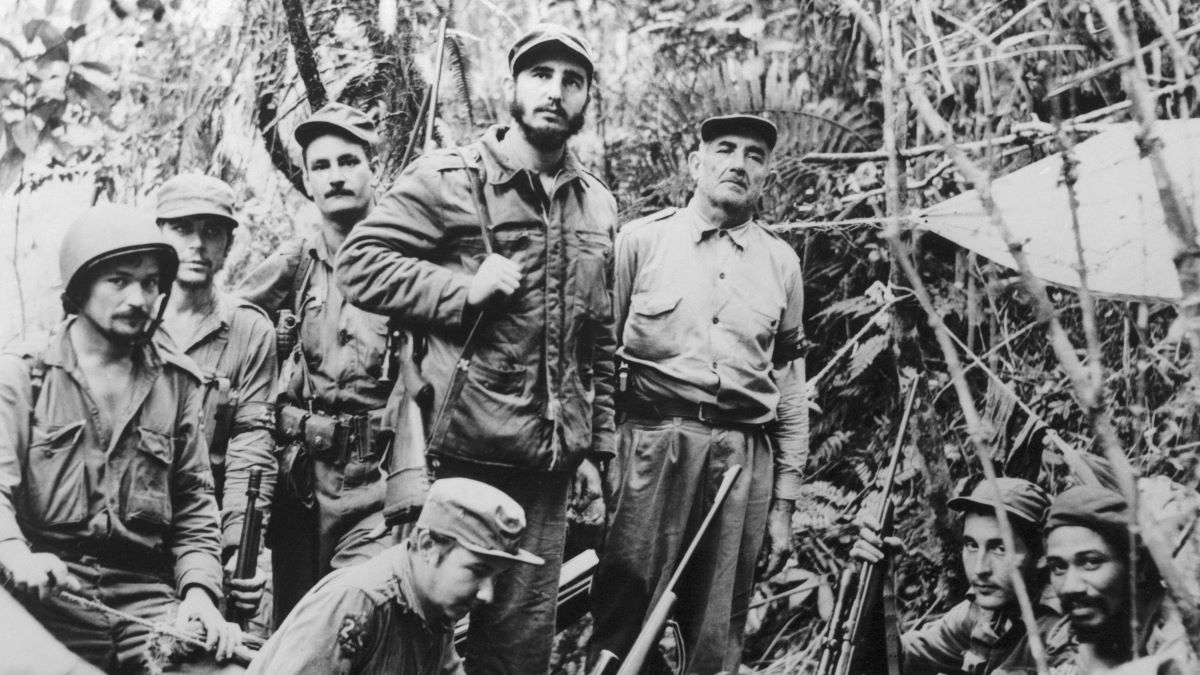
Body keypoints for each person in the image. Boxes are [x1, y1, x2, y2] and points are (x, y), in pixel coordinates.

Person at [335, 23, 616, 675]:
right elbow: (359, 263)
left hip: (547, 472)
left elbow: (597, 342)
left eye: (572, 81)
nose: (555, 92)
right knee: (421, 633)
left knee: (518, 650)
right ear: (512, 86)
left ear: (585, 99)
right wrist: (461, 288)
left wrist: (595, 452)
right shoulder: (450, 179)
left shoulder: (597, 206)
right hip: (460, 453)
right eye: (541, 75)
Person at [587, 113, 808, 674]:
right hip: (651, 445)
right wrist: (601, 455)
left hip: (741, 459)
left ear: (766, 174)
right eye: (725, 149)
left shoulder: (781, 262)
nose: (739, 163)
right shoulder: (641, 242)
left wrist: (783, 504)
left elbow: (789, 391)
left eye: (754, 155)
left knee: (714, 633)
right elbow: (597, 359)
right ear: (696, 164)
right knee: (622, 616)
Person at [0, 204, 243, 671]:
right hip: (44, 594)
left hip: (143, 598)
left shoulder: (176, 383)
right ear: (80, 288)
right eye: (119, 280)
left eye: (151, 282)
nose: (139, 297)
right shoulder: (24, 376)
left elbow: (193, 503)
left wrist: (198, 592)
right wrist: (13, 553)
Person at [235, 103, 399, 626]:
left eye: (348, 161)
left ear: (373, 167)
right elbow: (230, 325)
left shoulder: (408, 257)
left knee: (359, 623)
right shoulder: (295, 263)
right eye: (321, 166)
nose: (335, 176)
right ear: (306, 180)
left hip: (381, 481)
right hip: (303, 484)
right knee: (297, 629)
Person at [246, 478, 543, 674]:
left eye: (495, 577)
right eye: (477, 571)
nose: (486, 594)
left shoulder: (434, 604)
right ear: (427, 545)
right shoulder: (359, 602)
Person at [156, 173, 277, 624]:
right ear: (158, 235)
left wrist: (239, 550)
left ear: (228, 244)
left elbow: (252, 446)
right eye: (182, 229)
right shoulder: (128, 319)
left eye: (212, 231)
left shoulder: (249, 330)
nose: (197, 245)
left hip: (208, 525)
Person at [853, 476, 1058, 674]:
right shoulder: (981, 614)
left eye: (1000, 549)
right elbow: (898, 661)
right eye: (971, 545)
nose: (980, 568)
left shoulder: (1064, 629)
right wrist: (879, 585)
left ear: (1041, 554)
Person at [1043, 485, 1197, 674]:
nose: (1070, 587)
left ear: (1137, 568)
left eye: (1091, 562)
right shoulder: (1065, 636)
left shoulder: (1185, 644)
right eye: (1058, 567)